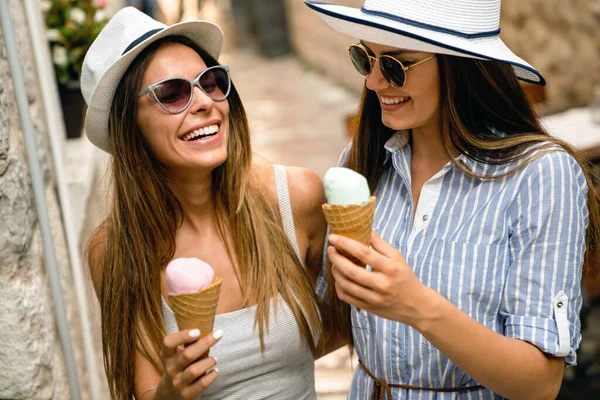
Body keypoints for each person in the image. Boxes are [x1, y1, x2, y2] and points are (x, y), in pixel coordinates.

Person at [305, 0, 600, 399]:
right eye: (365, 58)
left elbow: (539, 384)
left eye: (395, 65)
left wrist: (416, 305)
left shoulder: (541, 175)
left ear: (461, 67)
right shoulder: (364, 159)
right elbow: (339, 322)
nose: (373, 82)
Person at [82, 7, 331, 399]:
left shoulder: (295, 198)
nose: (203, 102)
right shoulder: (114, 250)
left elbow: (350, 327)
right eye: (172, 93)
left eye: (210, 82)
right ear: (131, 126)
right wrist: (173, 389)